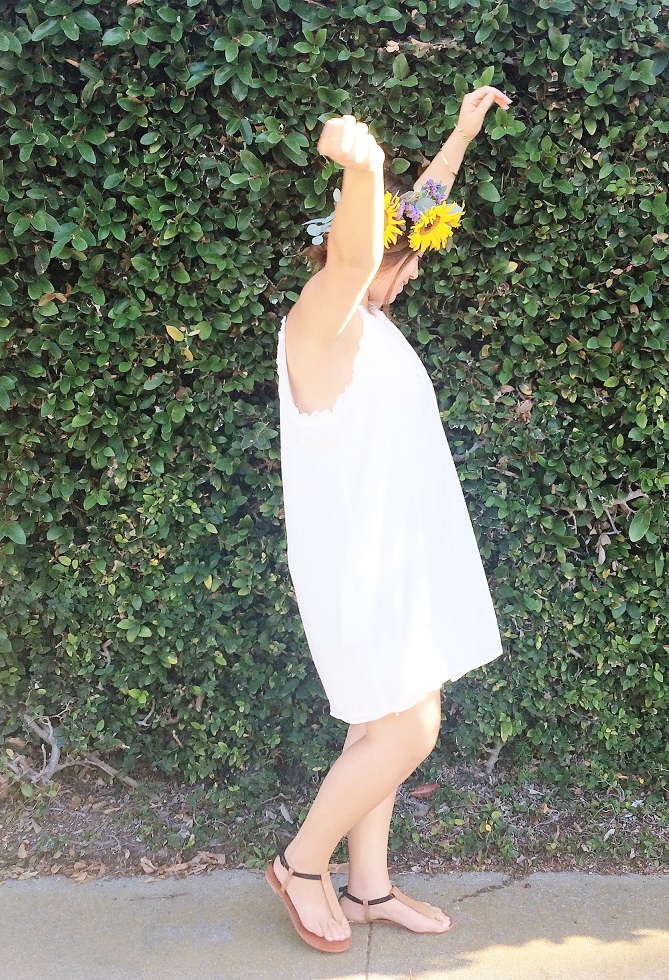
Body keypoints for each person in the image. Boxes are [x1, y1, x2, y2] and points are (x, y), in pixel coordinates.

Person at [267, 86, 513, 954]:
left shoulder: (371, 320)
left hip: (399, 557)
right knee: (409, 728)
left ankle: (367, 888)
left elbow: (415, 217)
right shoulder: (322, 317)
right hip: (355, 564)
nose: (411, 272)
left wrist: (461, 135)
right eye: (402, 260)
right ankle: (301, 864)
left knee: (381, 724)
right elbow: (363, 247)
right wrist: (363, 168)